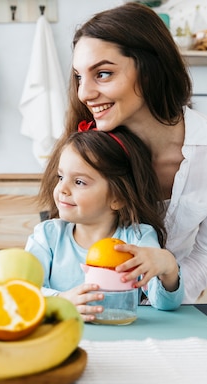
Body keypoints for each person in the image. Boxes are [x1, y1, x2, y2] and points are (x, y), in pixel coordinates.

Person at [42, 2, 207, 305]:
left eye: (103, 74)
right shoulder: (85, 151)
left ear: (151, 70)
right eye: (79, 77)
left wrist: (166, 293)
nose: (84, 93)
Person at [25, 125, 184, 322]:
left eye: (79, 182)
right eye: (61, 177)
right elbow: (26, 293)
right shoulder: (47, 236)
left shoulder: (137, 238)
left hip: (121, 335)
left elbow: (164, 304)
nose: (62, 189)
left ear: (117, 198)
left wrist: (168, 267)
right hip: (61, 333)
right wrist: (61, 301)